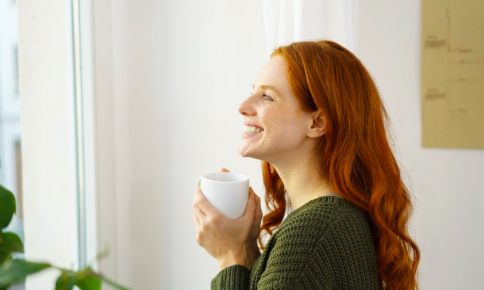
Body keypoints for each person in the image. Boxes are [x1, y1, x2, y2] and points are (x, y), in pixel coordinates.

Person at [192, 40, 420, 290]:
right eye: (252, 92)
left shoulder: (311, 233)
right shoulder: (331, 220)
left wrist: (229, 257)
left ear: (317, 123)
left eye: (266, 96)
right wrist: (245, 248)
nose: (243, 107)